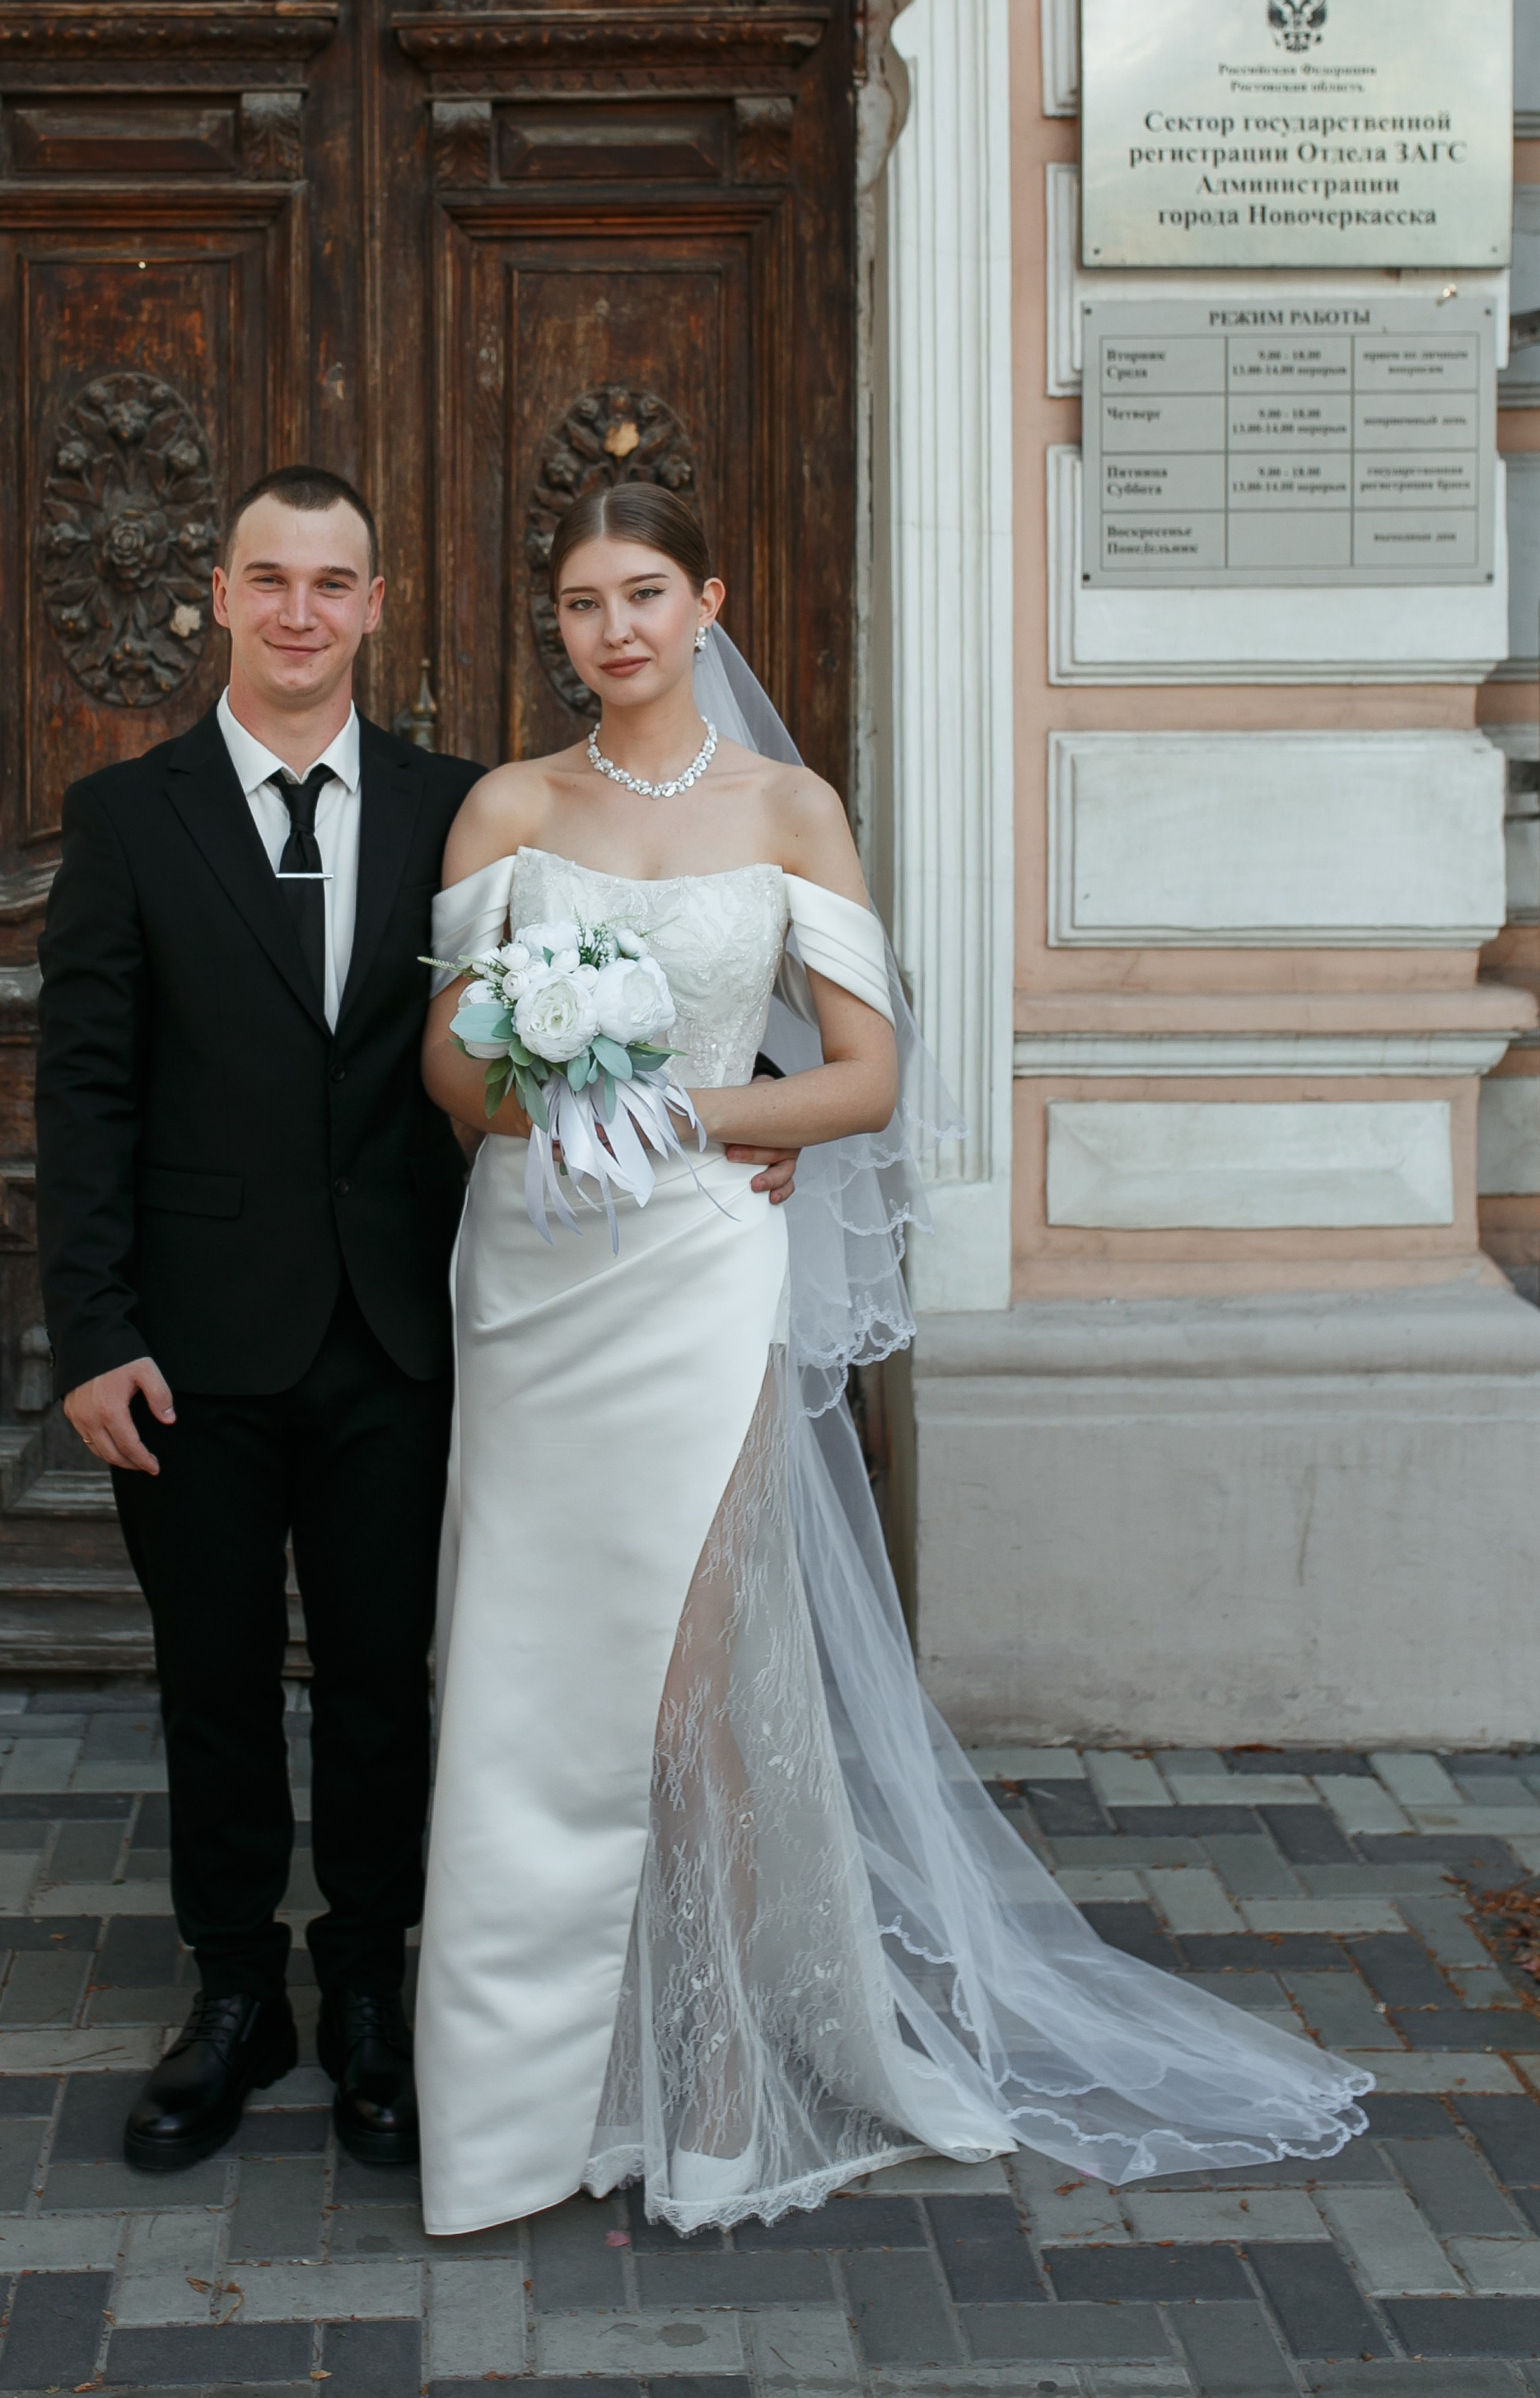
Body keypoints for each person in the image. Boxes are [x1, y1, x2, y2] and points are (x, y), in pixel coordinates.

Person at [413, 483, 1372, 2238]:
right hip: (537, 1275)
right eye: (575, 602)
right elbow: (451, 1077)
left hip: (696, 1278)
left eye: (641, 593)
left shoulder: (787, 806)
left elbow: (859, 1073)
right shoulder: (504, 806)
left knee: (688, 1689)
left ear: (706, 600)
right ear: (550, 626)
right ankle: (510, 2096)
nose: (610, 629)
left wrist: (680, 1109)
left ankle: (708, 2079)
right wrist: (551, 1092)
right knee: (521, 1670)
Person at [35, 466, 801, 2173]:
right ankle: (232, 1995)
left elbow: (604, 987)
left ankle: (370, 1995)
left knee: (391, 1682)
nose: (300, 611)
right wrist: (89, 1332)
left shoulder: (471, 806)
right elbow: (82, 1091)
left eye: (334, 582)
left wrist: (750, 1126)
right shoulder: (125, 818)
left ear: (376, 607)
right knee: (213, 1684)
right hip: (191, 1345)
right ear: (217, 599)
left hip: (410, 1330)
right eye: (268, 579)